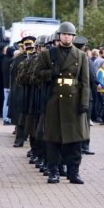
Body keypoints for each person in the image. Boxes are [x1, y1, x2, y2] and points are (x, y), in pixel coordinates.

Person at [33, 23, 89, 184]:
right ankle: (54, 171)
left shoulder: (81, 56)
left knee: (75, 140)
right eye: (64, 34)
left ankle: (74, 172)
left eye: (69, 35)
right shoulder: (49, 54)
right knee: (53, 140)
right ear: (59, 36)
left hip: (74, 101)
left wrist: (84, 102)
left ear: (73, 37)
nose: (67, 37)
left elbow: (85, 82)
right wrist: (51, 73)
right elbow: (37, 74)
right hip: (55, 100)